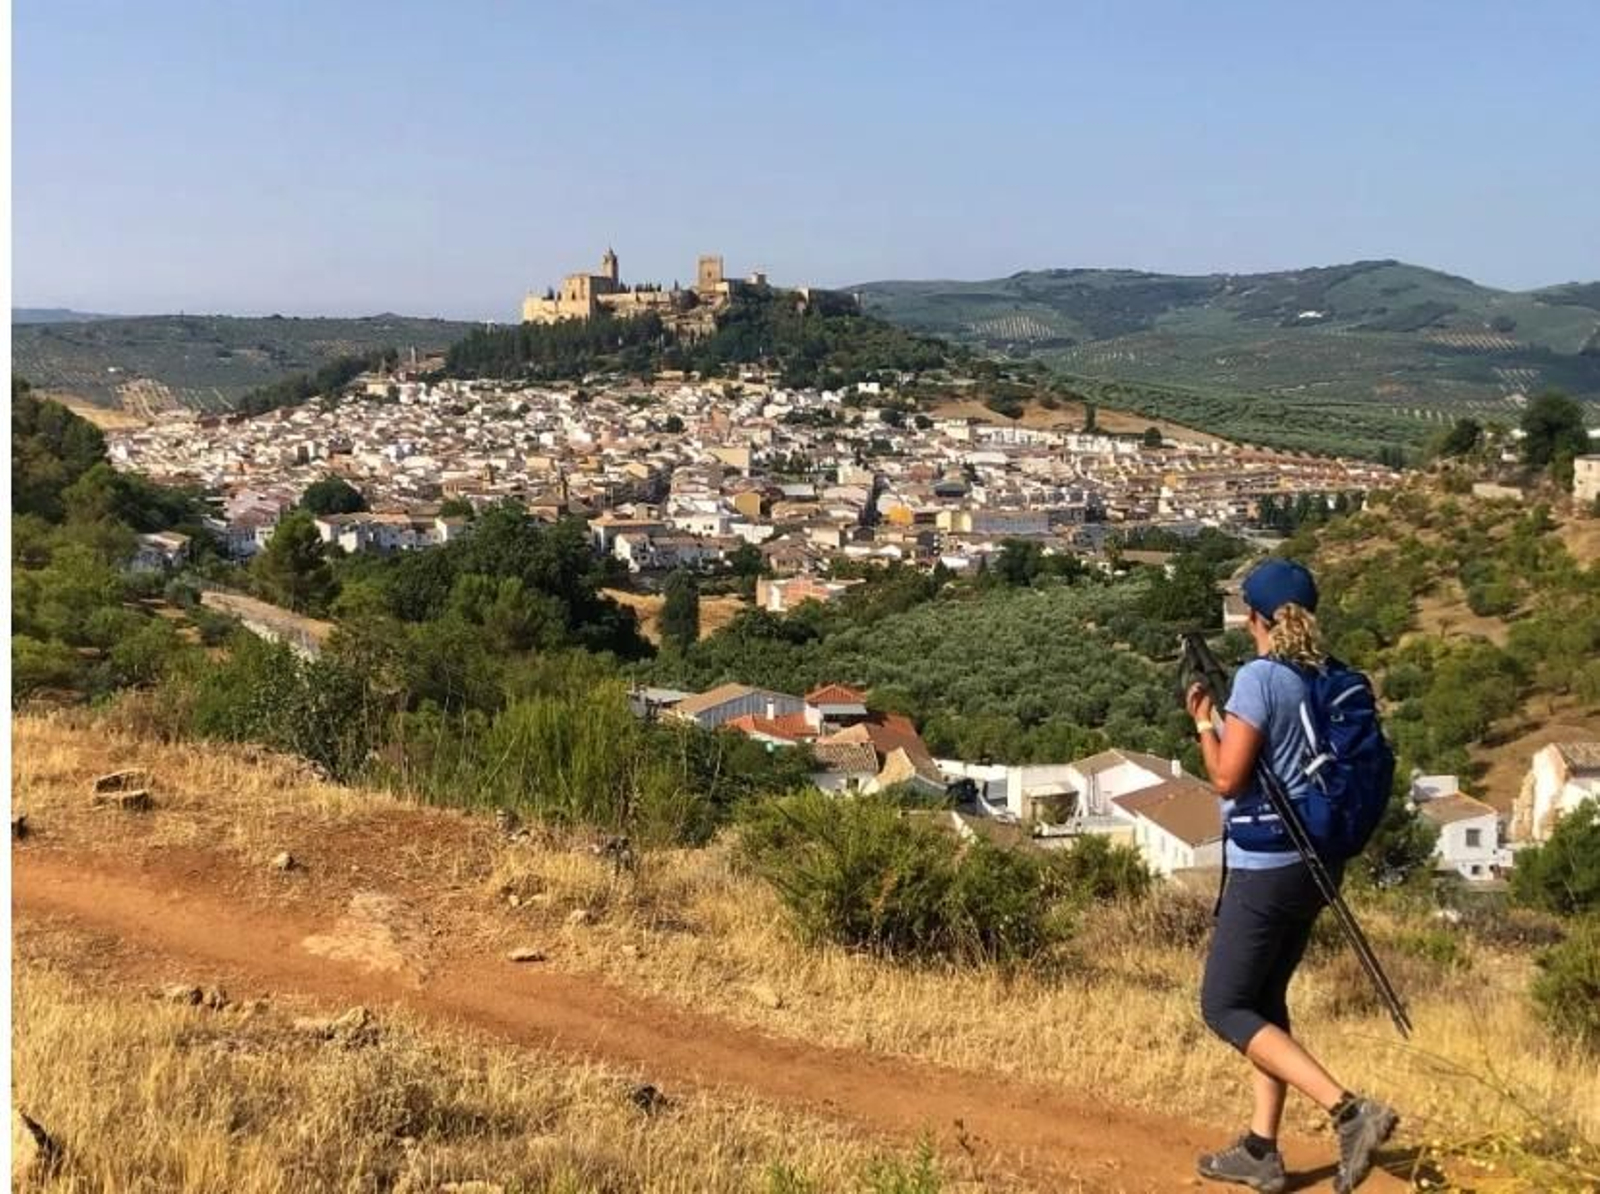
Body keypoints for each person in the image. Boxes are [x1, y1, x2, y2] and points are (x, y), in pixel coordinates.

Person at [1185, 558, 1398, 1194]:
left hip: (1267, 867)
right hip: (1318, 864)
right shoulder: (1330, 675)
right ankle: (1261, 1149)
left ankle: (1350, 1111)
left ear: (1252, 616)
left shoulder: (1260, 678)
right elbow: (1280, 761)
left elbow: (1227, 778)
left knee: (1223, 1006)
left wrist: (1202, 722)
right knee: (1266, 1004)